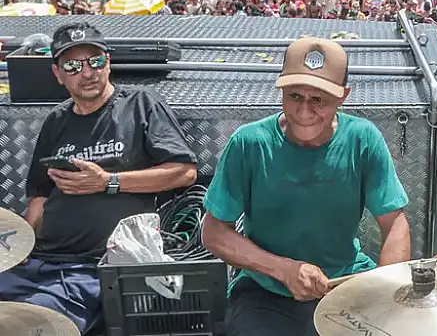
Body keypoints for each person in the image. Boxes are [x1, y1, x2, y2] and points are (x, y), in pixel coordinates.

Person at [202, 38, 412, 335]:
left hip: (345, 281)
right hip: (265, 289)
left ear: (343, 96)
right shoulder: (249, 143)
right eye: (295, 96)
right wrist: (283, 269)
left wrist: (385, 292)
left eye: (319, 100)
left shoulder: (364, 139)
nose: (303, 111)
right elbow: (214, 231)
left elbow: (394, 223)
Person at [0, 23, 198, 334]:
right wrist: (20, 251)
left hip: (93, 268)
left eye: (95, 61)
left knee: (28, 323)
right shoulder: (56, 120)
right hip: (39, 262)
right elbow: (39, 196)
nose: (87, 72)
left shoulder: (140, 103)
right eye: (73, 65)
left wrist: (109, 181)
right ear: (58, 74)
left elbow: (184, 172)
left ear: (108, 61)